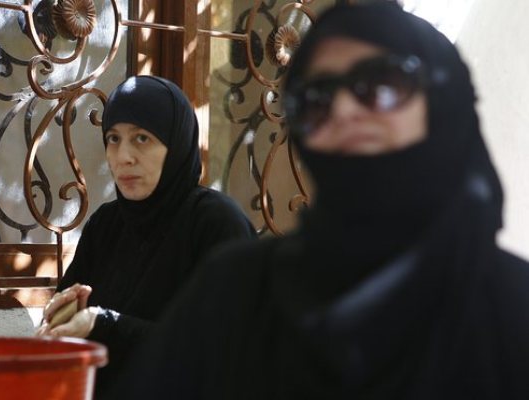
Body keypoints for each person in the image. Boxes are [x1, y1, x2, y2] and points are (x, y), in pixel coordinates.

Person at [109, 2, 529, 399]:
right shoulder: (236, 290)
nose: (344, 108)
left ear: (443, 104)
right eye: (318, 98)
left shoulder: (512, 306)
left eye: (379, 84)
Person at [36, 76, 256, 396]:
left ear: (176, 144)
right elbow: (72, 337)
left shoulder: (216, 222)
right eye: (113, 138)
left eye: (142, 138)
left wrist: (104, 324)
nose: (123, 156)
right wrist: (61, 320)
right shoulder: (106, 225)